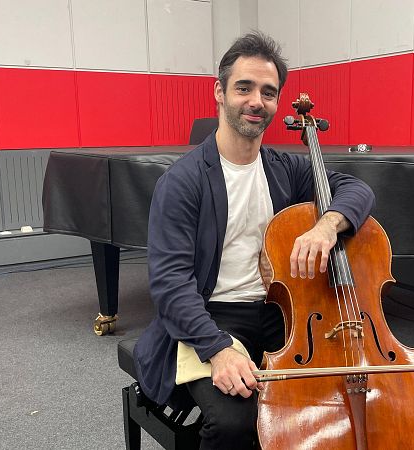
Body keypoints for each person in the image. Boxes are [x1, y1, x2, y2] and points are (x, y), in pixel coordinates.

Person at [133, 31, 375, 449]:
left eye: (268, 92)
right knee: (234, 425)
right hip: (211, 315)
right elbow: (171, 287)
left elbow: (357, 190)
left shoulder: (283, 168)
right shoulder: (182, 182)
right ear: (219, 92)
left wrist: (326, 225)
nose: (256, 101)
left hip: (283, 311)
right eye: (244, 88)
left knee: (334, 398)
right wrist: (218, 349)